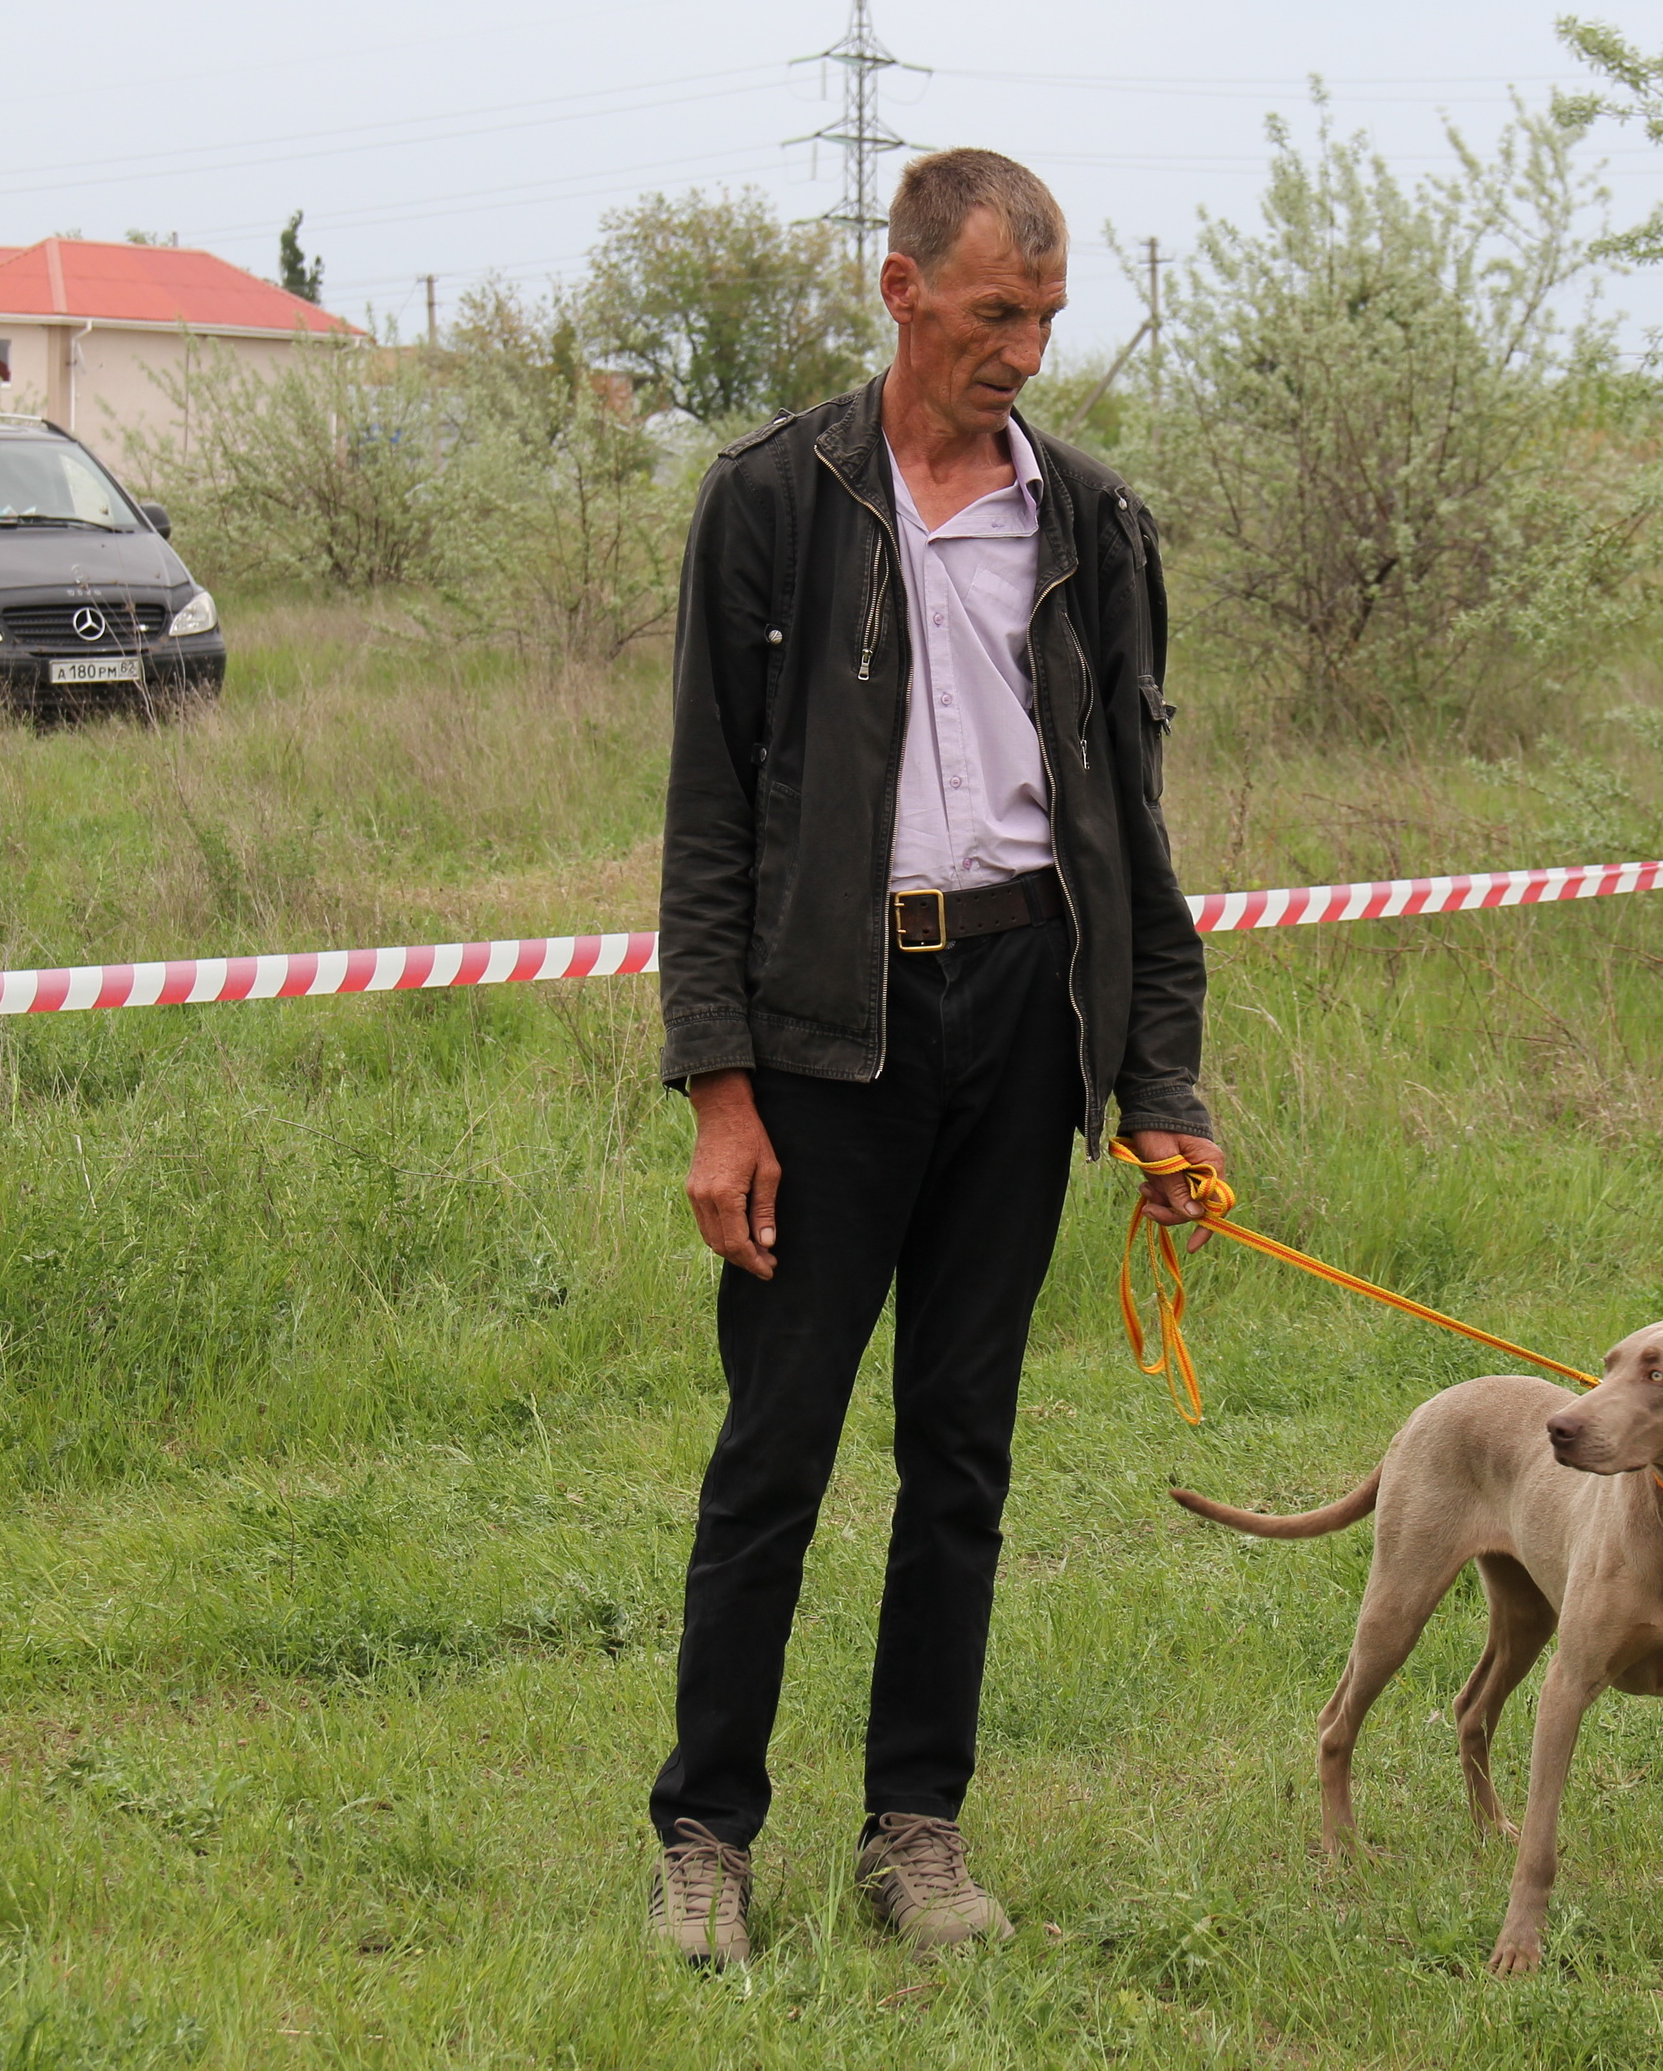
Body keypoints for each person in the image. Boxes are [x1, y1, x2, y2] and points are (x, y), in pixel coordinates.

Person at [647, 147, 1222, 1967]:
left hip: (1024, 1017)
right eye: (992, 313)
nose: (1023, 352)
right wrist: (720, 1088)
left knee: (960, 1448)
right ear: (897, 290)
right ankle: (705, 1834)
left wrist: (1158, 1086)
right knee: (776, 1449)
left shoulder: (1095, 521)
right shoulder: (773, 499)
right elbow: (709, 817)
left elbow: (1131, 823)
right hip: (832, 1033)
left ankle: (916, 1825)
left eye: (1044, 316)